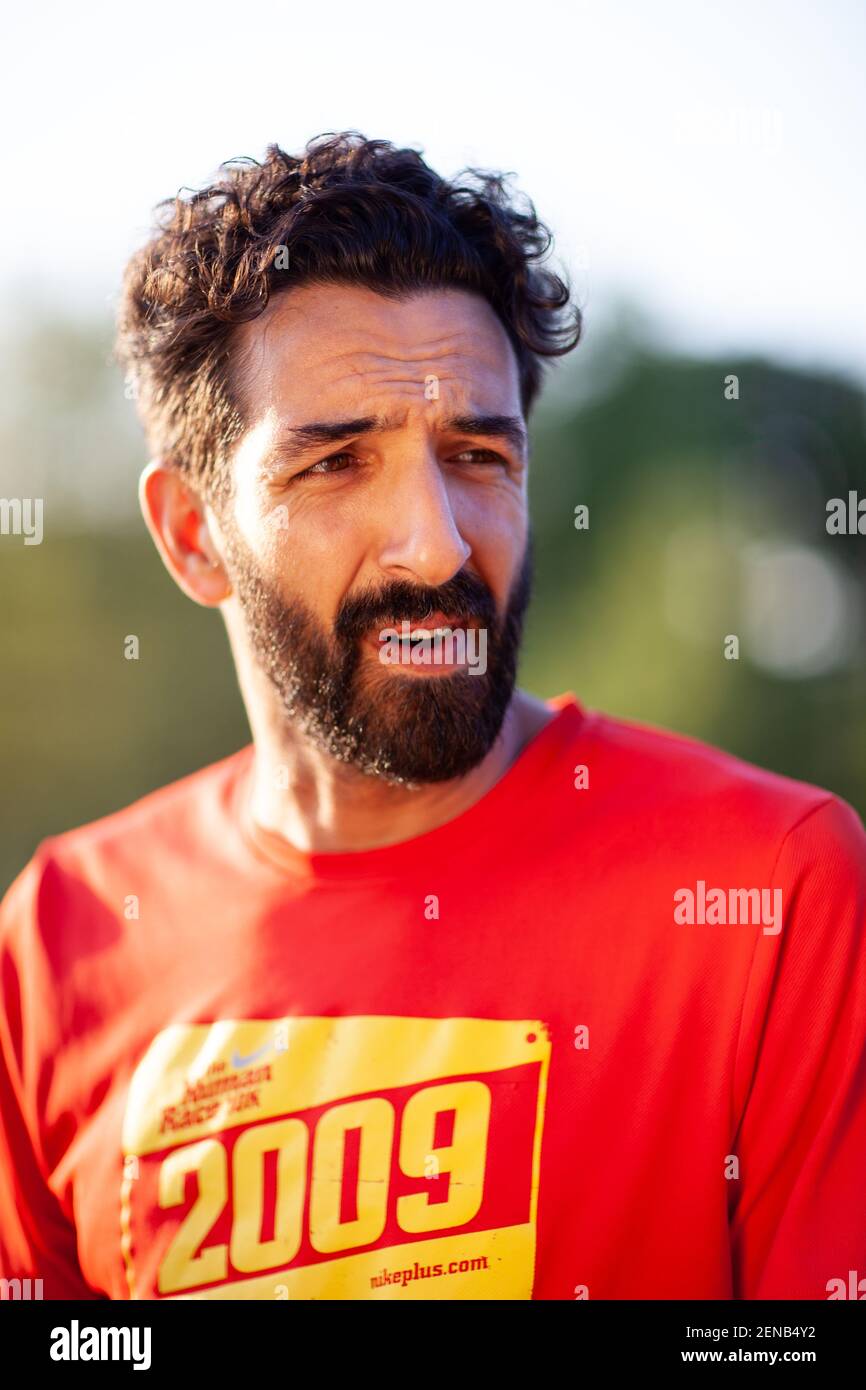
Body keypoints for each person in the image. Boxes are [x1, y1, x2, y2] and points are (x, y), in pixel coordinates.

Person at [1, 132, 864, 1302]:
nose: (439, 543)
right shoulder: (57, 942)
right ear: (193, 534)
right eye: (338, 462)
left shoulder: (772, 887)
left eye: (475, 455)